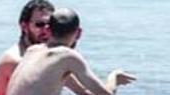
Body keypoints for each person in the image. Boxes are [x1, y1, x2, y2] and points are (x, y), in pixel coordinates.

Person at [7, 8, 135, 95]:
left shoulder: (32, 51)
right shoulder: (67, 56)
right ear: (78, 33)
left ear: (48, 30)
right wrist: (114, 78)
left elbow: (84, 92)